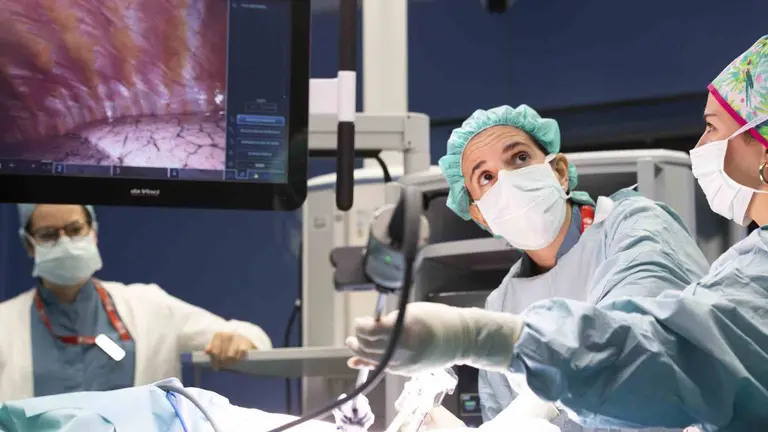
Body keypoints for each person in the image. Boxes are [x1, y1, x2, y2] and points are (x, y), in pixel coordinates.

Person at [346, 35, 768, 431]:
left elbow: (652, 360)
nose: (508, 180)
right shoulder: (503, 300)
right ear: (480, 214)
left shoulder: (634, 228)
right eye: (487, 176)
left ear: (559, 171)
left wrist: (483, 342)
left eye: (520, 158)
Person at [0, 203, 272, 402]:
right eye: (48, 234)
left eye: (75, 229)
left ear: (93, 232)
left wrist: (239, 341)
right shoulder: (5, 323)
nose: (65, 242)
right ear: (29, 245)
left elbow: (251, 335)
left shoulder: (149, 305)